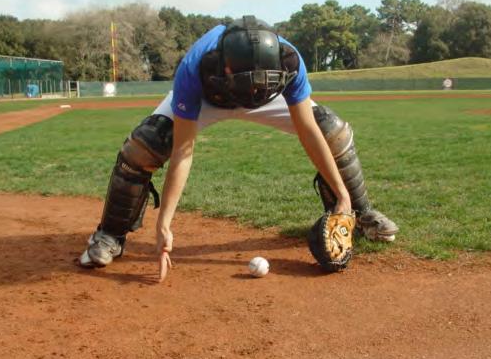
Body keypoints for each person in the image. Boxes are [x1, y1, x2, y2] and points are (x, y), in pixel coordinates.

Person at [78, 16, 398, 281]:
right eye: (251, 80)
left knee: (332, 130)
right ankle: (110, 235)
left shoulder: (289, 60)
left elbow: (309, 131)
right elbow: (183, 151)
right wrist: (165, 223)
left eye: (265, 78)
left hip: (270, 101)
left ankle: (359, 213)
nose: (256, 86)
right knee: (145, 145)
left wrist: (341, 194)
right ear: (226, 67)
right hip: (211, 98)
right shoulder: (197, 67)